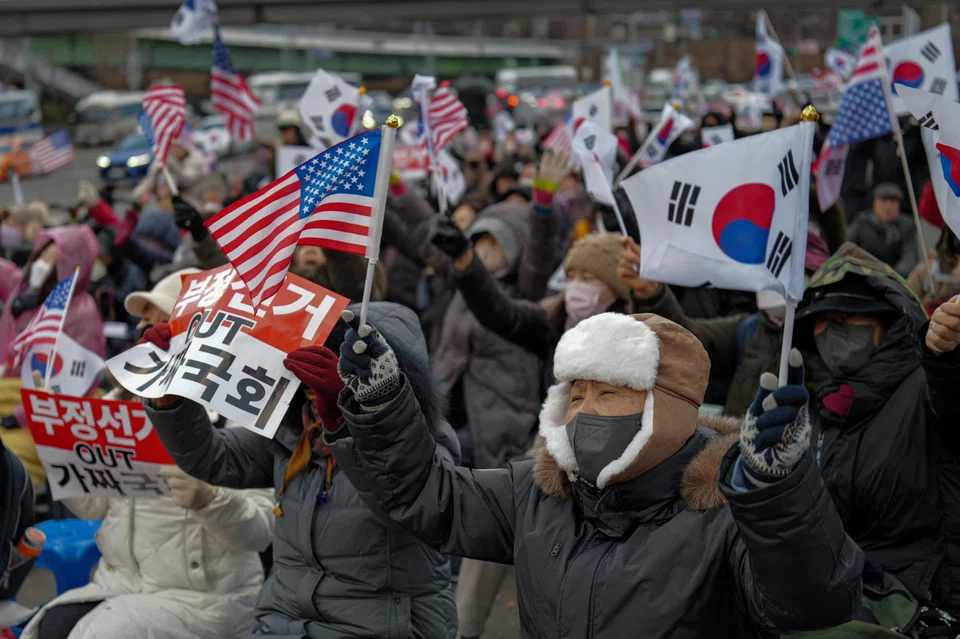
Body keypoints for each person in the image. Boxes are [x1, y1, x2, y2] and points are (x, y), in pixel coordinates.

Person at [324, 310, 863, 637]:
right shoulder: (539, 490)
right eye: (576, 395)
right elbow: (427, 495)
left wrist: (778, 492)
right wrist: (383, 403)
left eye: (608, 392)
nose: (585, 412)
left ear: (665, 408)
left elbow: (813, 604)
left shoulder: (729, 508)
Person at [142, 302, 459, 638]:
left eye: (358, 368)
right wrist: (171, 395)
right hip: (282, 622)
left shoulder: (430, 441)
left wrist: (350, 423)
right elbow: (213, 458)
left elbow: (407, 505)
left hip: (385, 627)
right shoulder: (298, 432)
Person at [20, 269, 275, 639]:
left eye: (162, 322)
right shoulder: (120, 403)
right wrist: (55, 443)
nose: (146, 332)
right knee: (47, 629)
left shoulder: (237, 414)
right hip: (119, 584)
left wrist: (209, 500)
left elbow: (260, 534)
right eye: (143, 322)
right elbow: (94, 506)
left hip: (206, 599)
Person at [0, 226, 105, 487]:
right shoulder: (26, 292)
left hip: (41, 417)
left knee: (8, 466)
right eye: (41, 256)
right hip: (8, 391)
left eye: (51, 260)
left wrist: (21, 416)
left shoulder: (80, 315)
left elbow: (72, 387)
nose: (41, 265)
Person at [847, 182, 919, 277]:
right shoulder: (862, 222)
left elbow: (909, 254)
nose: (888, 207)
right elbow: (848, 246)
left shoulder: (907, 226)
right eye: (883, 202)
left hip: (895, 274)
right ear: (874, 203)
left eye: (892, 202)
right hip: (865, 272)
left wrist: (897, 274)